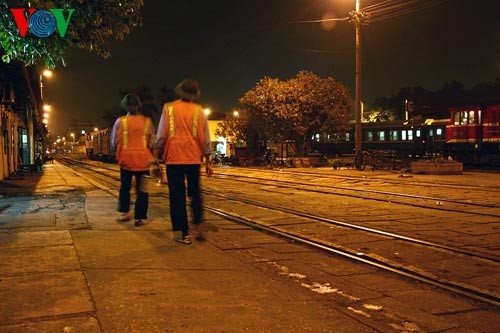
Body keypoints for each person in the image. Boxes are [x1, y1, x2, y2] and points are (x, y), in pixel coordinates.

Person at [153, 78, 213, 244]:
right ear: (195, 95)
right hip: (194, 158)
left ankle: (182, 233)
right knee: (195, 193)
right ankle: (199, 224)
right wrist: (208, 161)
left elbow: (161, 135)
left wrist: (156, 155)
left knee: (177, 197)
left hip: (174, 158)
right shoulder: (199, 111)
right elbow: (206, 138)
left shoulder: (169, 108)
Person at [111, 93, 155, 226]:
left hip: (126, 161)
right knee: (142, 190)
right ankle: (139, 218)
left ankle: (125, 213)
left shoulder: (120, 121)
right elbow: (152, 142)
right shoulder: (148, 121)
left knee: (125, 188)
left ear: (125, 107)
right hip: (144, 161)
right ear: (139, 106)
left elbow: (113, 142)